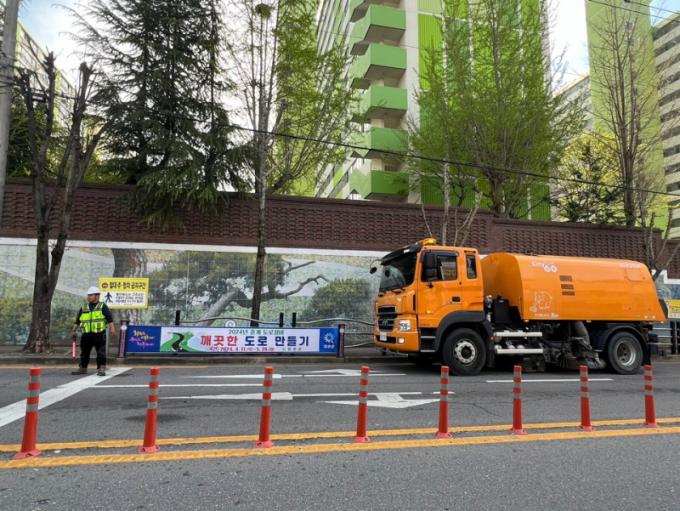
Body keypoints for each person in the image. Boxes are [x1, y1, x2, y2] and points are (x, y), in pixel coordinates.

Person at [71, 286, 116, 376]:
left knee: (101, 352)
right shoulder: (84, 307)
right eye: (88, 295)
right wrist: (73, 330)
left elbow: (109, 319)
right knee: (84, 353)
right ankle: (83, 368)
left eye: (91, 295)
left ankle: (101, 368)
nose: (89, 297)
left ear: (97, 296)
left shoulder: (102, 306)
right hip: (86, 334)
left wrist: (112, 329)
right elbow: (78, 320)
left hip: (99, 334)